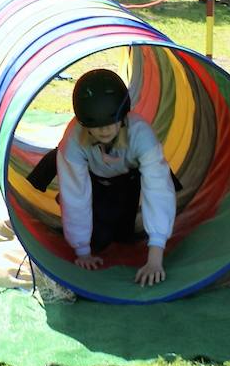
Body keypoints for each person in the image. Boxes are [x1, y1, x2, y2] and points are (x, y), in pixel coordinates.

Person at [55, 68, 175, 292]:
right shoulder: (74, 141)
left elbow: (158, 189)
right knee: (99, 241)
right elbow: (74, 194)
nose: (104, 130)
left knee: (124, 236)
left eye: (111, 122)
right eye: (96, 125)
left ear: (123, 116)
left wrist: (155, 257)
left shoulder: (140, 135)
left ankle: (123, 221)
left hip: (129, 182)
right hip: (95, 183)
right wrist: (82, 250)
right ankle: (94, 231)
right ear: (84, 123)